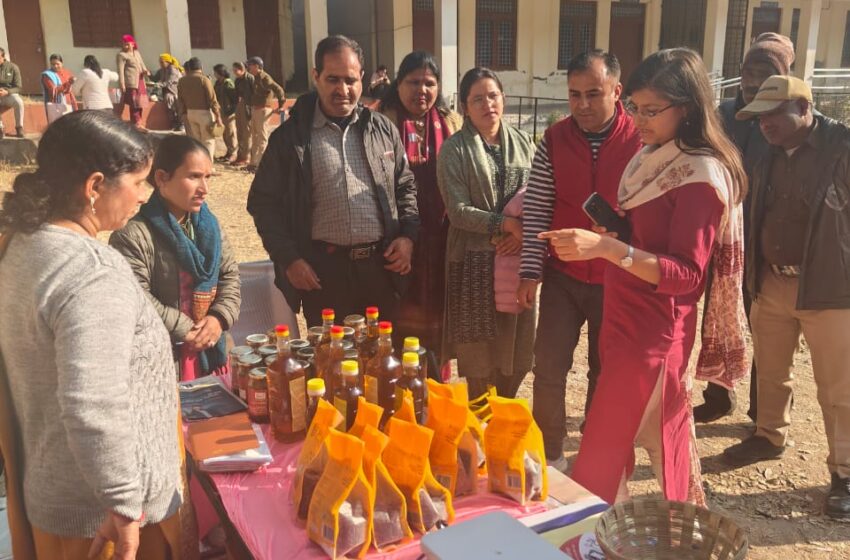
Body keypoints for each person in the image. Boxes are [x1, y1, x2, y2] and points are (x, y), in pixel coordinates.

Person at [543, 48, 748, 505]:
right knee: (654, 439)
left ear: (688, 107)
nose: (638, 120)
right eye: (635, 107)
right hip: (626, 319)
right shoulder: (653, 158)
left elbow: (687, 274)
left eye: (652, 110)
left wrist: (608, 248)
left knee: (607, 448)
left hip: (655, 334)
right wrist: (618, 232)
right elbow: (648, 238)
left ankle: (600, 533)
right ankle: (668, 524)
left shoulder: (698, 175)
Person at [0, 110, 185, 559]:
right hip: (106, 522)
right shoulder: (90, 272)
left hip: (55, 495)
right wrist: (123, 502)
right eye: (138, 182)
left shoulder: (23, 243)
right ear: (95, 186)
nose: (144, 196)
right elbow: (92, 403)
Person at [722, 76, 850, 519]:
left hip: (831, 288)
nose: (765, 124)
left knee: (839, 387)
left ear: (804, 107)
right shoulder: (765, 153)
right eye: (760, 117)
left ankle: (845, 473)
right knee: (771, 369)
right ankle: (768, 435)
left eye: (775, 114)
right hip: (773, 281)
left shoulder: (842, 148)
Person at [519, 50, 641, 472]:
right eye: (574, 95)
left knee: (605, 371)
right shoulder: (555, 139)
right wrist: (530, 271)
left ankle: (596, 455)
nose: (583, 104)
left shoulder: (640, 140)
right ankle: (549, 454)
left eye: (594, 93)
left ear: (617, 91)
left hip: (618, 277)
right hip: (563, 276)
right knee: (549, 367)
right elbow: (538, 206)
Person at [247, 35, 418, 327]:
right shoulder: (290, 138)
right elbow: (263, 202)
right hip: (323, 273)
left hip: (380, 270)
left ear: (362, 78)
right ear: (316, 76)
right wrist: (289, 258)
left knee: (381, 352)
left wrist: (408, 238)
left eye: (350, 80)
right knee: (329, 353)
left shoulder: (382, 130)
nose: (343, 89)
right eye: (333, 79)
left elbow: (405, 187)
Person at [695, 32, 796, 424]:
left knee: (767, 331)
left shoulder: (788, 118)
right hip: (726, 237)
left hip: (768, 242)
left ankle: (763, 412)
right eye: (748, 71)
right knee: (719, 316)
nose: (752, 81)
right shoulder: (724, 114)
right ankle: (718, 396)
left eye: (764, 73)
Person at [436, 67, 536, 399]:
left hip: (517, 259)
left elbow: (540, 195)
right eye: (477, 99)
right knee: (478, 354)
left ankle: (506, 411)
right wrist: (505, 225)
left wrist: (520, 234)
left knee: (517, 349)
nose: (487, 104)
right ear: (465, 107)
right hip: (473, 261)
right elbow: (457, 211)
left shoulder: (524, 142)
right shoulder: (454, 150)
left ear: (503, 98)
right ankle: (479, 416)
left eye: (493, 96)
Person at [110, 135, 241, 382]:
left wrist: (218, 318)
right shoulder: (133, 235)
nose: (204, 189)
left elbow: (229, 276)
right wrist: (187, 329)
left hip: (213, 350)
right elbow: (137, 297)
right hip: (162, 360)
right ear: (162, 178)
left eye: (208, 177)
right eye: (194, 177)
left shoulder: (210, 227)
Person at [377, 51, 463, 362]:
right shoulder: (380, 120)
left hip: (443, 239)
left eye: (429, 83)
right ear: (398, 83)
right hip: (396, 240)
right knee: (399, 317)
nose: (421, 90)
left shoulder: (451, 122)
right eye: (413, 82)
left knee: (440, 313)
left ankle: (436, 379)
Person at [245, 56, 285, 172]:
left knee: (262, 138)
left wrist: (281, 105)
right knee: (255, 136)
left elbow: (279, 90)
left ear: (257, 66)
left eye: (250, 65)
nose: (248, 68)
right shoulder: (256, 77)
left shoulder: (264, 78)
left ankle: (261, 164)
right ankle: (253, 163)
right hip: (256, 109)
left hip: (262, 110)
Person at [177, 57, 222, 159]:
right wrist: (218, 115)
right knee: (208, 140)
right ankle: (208, 163)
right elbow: (212, 99)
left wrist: (183, 113)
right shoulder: (204, 79)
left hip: (190, 113)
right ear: (201, 67)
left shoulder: (182, 81)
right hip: (204, 113)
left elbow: (180, 100)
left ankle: (199, 161)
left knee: (196, 141)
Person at [115, 34, 149, 126]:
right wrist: (122, 84)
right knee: (134, 103)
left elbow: (142, 64)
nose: (125, 46)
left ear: (133, 44)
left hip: (140, 80)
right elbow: (120, 71)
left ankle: (139, 122)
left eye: (127, 44)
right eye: (124, 44)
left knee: (140, 103)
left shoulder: (137, 53)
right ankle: (136, 123)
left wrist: (145, 71)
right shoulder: (121, 55)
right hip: (131, 83)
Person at [213, 64, 239, 163]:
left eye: (216, 72)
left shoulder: (228, 83)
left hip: (229, 112)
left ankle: (233, 153)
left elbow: (234, 98)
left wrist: (232, 110)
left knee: (231, 133)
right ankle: (229, 152)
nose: (215, 74)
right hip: (222, 111)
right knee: (225, 134)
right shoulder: (218, 83)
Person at [231, 61, 254, 166]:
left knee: (247, 133)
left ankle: (247, 157)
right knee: (239, 131)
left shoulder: (250, 78)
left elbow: (254, 93)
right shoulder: (237, 80)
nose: (234, 72)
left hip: (248, 106)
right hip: (240, 106)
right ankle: (240, 155)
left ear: (242, 69)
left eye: (236, 70)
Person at [154, 53, 183, 131]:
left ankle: (181, 124)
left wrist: (159, 85)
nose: (160, 64)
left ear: (167, 62)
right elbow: (158, 79)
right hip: (168, 91)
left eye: (162, 62)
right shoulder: (162, 70)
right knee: (169, 106)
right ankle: (174, 124)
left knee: (178, 107)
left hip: (176, 91)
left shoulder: (173, 69)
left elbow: (169, 81)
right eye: (160, 62)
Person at [0, 47, 25, 138]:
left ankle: (19, 127)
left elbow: (18, 87)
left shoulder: (13, 67)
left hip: (9, 94)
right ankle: (0, 128)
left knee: (19, 102)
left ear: (3, 57)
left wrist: (7, 91)